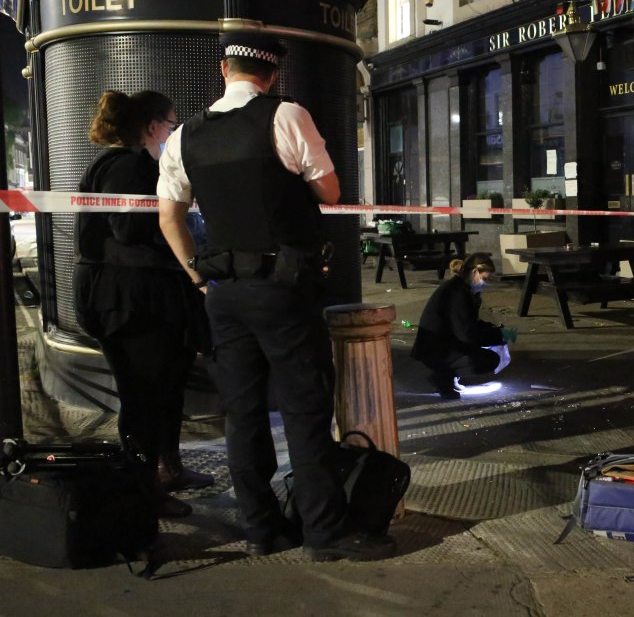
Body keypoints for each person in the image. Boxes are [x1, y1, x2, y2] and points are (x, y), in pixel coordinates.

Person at [156, 31, 394, 562]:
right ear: (272, 76)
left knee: (242, 414)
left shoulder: (185, 137)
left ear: (223, 69)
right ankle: (325, 534)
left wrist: (197, 274)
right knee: (305, 411)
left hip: (224, 293)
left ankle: (261, 529)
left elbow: (169, 215)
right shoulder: (286, 115)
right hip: (282, 290)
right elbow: (329, 190)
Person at [74, 89, 213, 520]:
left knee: (167, 388)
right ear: (153, 127)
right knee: (144, 396)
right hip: (131, 302)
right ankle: (143, 491)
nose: (172, 134)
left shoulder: (123, 163)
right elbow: (132, 229)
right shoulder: (129, 166)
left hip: (138, 298)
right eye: (172, 126)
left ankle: (167, 470)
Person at [411, 252, 513, 400]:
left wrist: (494, 331)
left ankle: (448, 375)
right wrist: (497, 336)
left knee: (485, 349)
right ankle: (442, 377)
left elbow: (468, 323)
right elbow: (466, 335)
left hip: (441, 343)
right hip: (435, 349)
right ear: (474, 272)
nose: (486, 283)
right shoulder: (459, 294)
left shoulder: (462, 288)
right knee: (489, 359)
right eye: (484, 279)